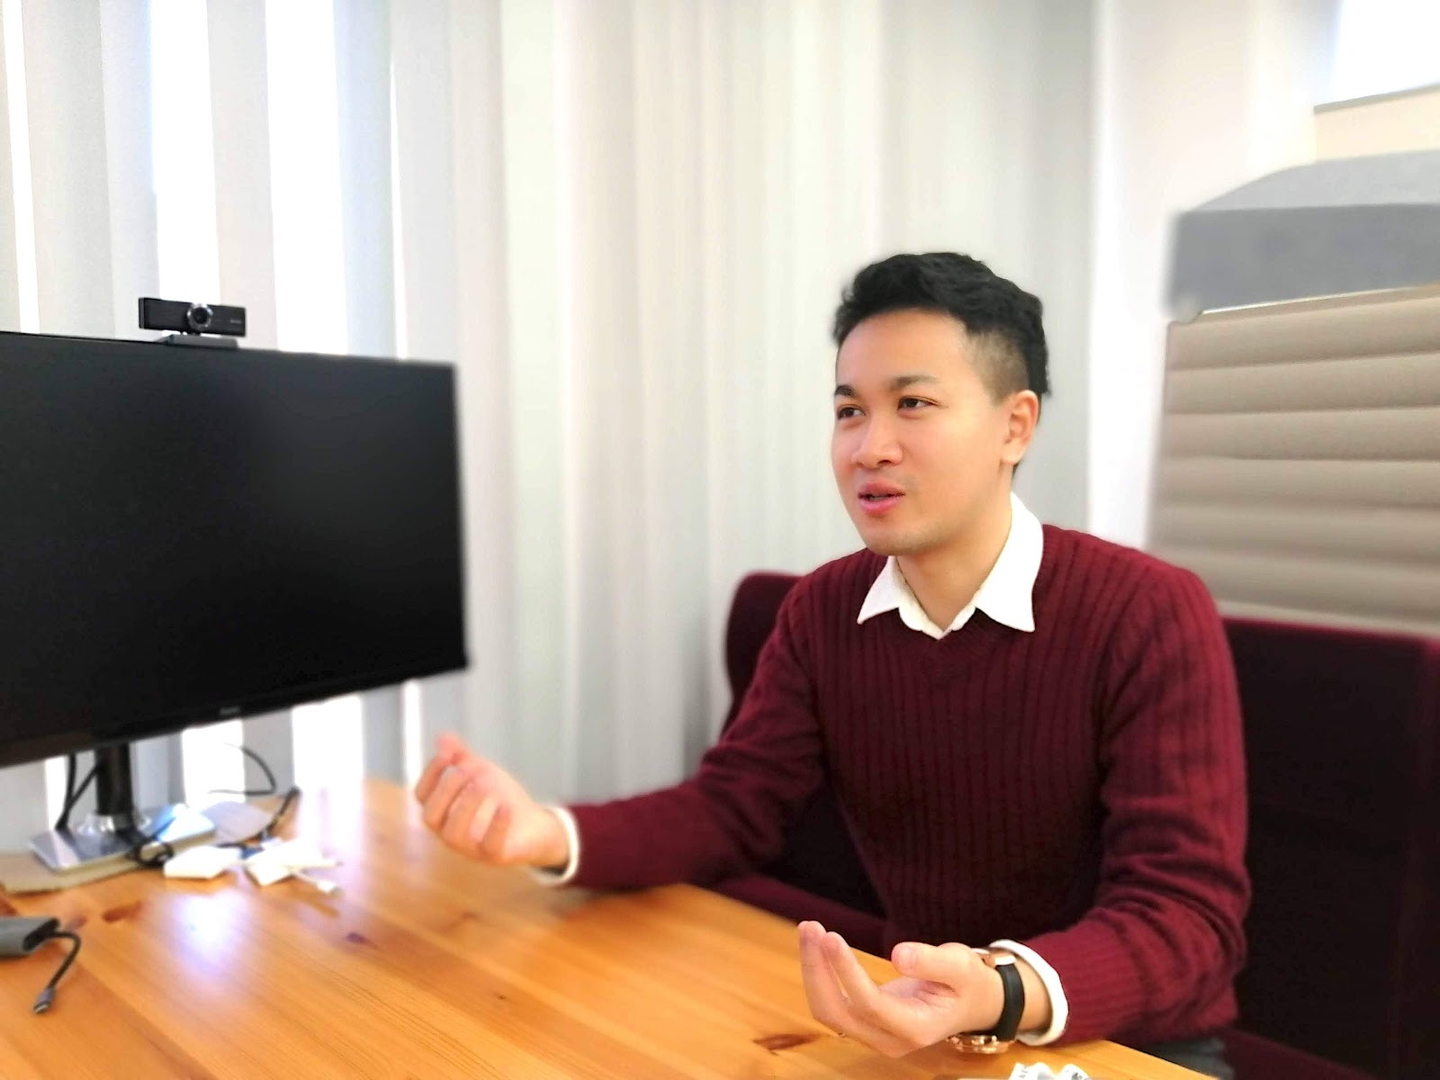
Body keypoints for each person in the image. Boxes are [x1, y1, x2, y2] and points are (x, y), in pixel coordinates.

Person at [414, 252, 1248, 1079]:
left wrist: (997, 989)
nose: (869, 447)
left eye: (913, 404)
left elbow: (1188, 916)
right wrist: (544, 833)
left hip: (1128, 1046)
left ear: (1014, 426)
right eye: (850, 411)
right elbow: (734, 808)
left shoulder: (1146, 611)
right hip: (921, 1025)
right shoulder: (822, 612)